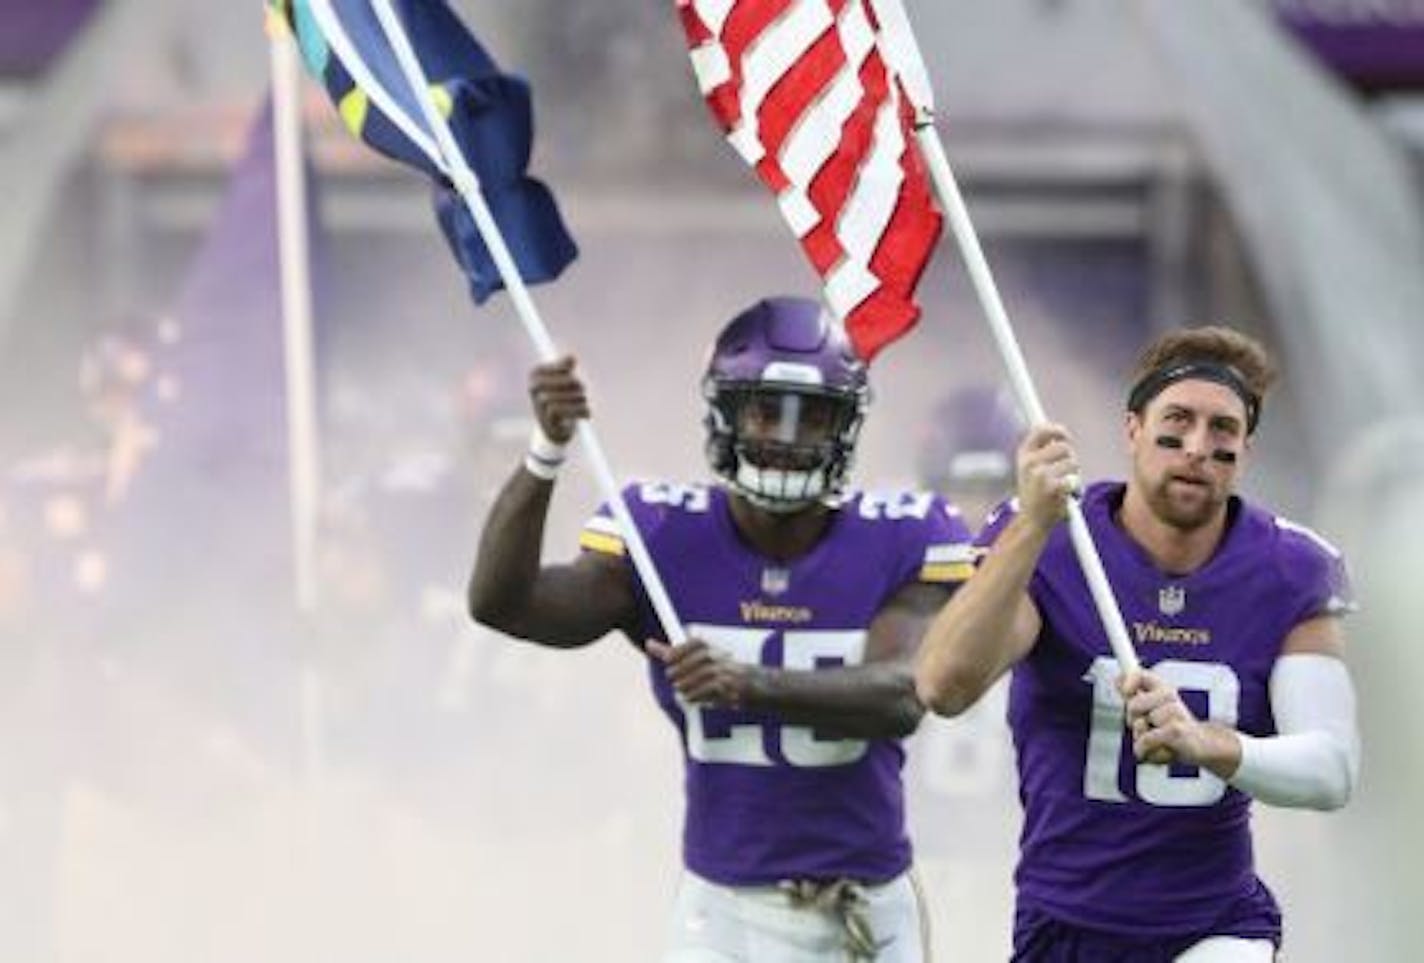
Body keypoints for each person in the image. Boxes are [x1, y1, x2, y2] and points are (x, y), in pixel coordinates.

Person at [468, 295, 976, 962]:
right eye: (768, 410)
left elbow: (904, 695)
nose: (789, 438)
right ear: (724, 411)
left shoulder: (904, 531)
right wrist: (546, 452)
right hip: (725, 906)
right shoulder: (661, 531)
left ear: (846, 425)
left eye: (813, 415)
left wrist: (748, 683)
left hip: (866, 903)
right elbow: (506, 603)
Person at [914, 325, 1360, 962]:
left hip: (1214, 924)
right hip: (1063, 920)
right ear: (1133, 429)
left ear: (1246, 447)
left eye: (1223, 430)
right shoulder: (1058, 540)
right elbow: (944, 686)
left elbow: (1332, 770)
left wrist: (1209, 743)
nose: (1198, 448)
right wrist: (1033, 523)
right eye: (1178, 420)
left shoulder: (1288, 569)